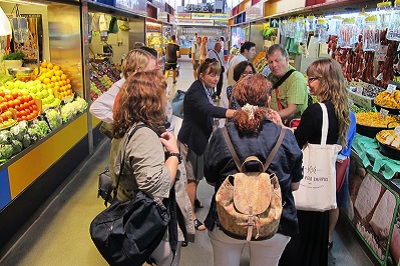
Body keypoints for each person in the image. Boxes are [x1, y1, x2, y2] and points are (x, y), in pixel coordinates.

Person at [204, 74, 303, 266]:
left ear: (238, 100)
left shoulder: (221, 135)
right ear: (268, 100)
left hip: (227, 218)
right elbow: (295, 185)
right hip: (274, 221)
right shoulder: (285, 137)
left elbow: (210, 180)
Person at [110, 70, 195, 266]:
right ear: (151, 100)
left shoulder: (125, 124)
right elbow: (156, 185)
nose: (167, 98)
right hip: (149, 223)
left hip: (130, 212)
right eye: (163, 94)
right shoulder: (143, 135)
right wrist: (173, 154)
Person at [277, 58, 350, 266]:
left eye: (313, 79)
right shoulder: (337, 109)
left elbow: (297, 144)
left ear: (326, 81)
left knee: (299, 234)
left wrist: (283, 131)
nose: (308, 83)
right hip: (322, 185)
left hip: (307, 183)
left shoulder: (315, 111)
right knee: (316, 232)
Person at [177, 59, 236, 231]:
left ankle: (191, 200)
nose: (216, 78)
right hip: (190, 142)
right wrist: (235, 113)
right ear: (201, 74)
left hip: (197, 140)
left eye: (217, 74)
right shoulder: (196, 92)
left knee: (195, 176)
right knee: (192, 179)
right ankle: (190, 218)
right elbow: (209, 110)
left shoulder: (204, 89)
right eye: (211, 74)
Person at [89, 47, 159, 124]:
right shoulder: (123, 86)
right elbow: (96, 108)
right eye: (151, 71)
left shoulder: (142, 86)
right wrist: (122, 122)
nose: (154, 74)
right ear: (138, 69)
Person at [328, 110, 356, 250]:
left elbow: (343, 143)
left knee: (334, 201)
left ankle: (328, 237)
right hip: (331, 160)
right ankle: (327, 236)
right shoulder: (323, 109)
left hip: (337, 162)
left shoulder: (348, 116)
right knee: (332, 200)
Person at [266, 44, 308, 124]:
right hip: (275, 124)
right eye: (270, 62)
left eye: (277, 61)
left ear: (287, 59)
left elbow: (291, 111)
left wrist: (269, 117)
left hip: (290, 128)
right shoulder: (271, 77)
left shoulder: (296, 78)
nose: (274, 65)